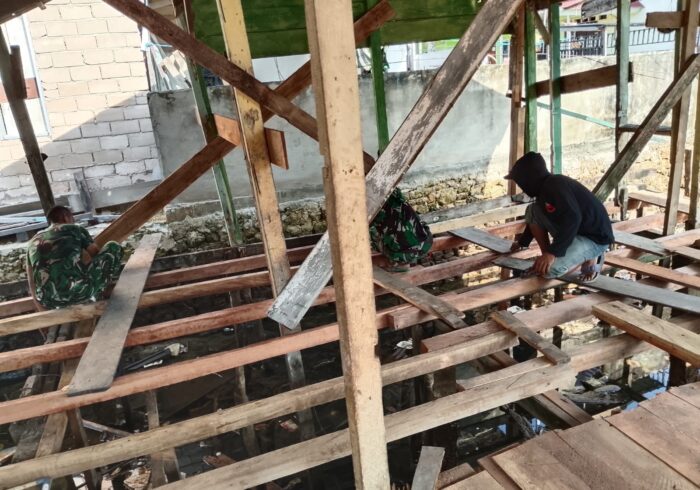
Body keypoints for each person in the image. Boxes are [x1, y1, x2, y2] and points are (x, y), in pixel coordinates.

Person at [506, 152, 614, 282]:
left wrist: (552, 253)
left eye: (520, 183)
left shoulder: (555, 186)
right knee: (533, 210)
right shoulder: (543, 189)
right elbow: (535, 218)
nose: (522, 188)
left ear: (529, 179)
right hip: (576, 230)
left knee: (550, 271)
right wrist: (522, 242)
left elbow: (573, 219)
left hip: (594, 238)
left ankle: (592, 257)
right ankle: (548, 258)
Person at [26, 206, 124, 309]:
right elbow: (95, 253)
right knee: (113, 247)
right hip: (78, 293)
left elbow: (30, 279)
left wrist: (40, 307)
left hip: (48, 301)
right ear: (66, 217)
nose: (73, 221)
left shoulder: (32, 241)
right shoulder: (75, 229)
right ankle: (98, 293)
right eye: (72, 218)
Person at [370, 188, 433, 272]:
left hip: (406, 250)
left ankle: (400, 260)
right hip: (424, 243)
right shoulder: (394, 193)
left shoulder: (373, 207)